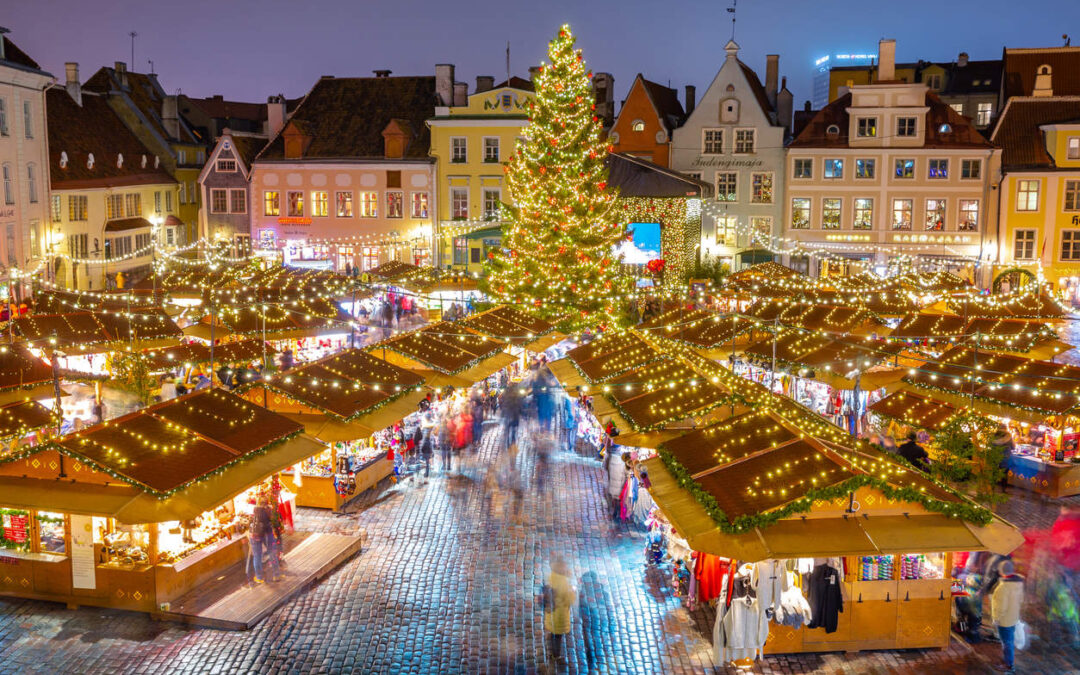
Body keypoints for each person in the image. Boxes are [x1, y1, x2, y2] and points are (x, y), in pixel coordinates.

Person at [990, 559, 1023, 673]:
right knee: (1009, 640)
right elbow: (1021, 600)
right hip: (1013, 617)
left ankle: (1009, 665)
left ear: (1001, 572)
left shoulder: (1002, 588)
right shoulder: (1019, 583)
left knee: (1006, 642)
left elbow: (1001, 608)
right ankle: (1008, 661)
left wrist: (996, 619)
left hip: (1004, 621)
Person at [542, 556, 575, 667]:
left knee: (553, 633)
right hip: (559, 616)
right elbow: (569, 600)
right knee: (558, 637)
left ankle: (550, 645)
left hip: (551, 613)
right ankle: (555, 655)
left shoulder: (552, 577)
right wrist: (573, 591)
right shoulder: (563, 582)